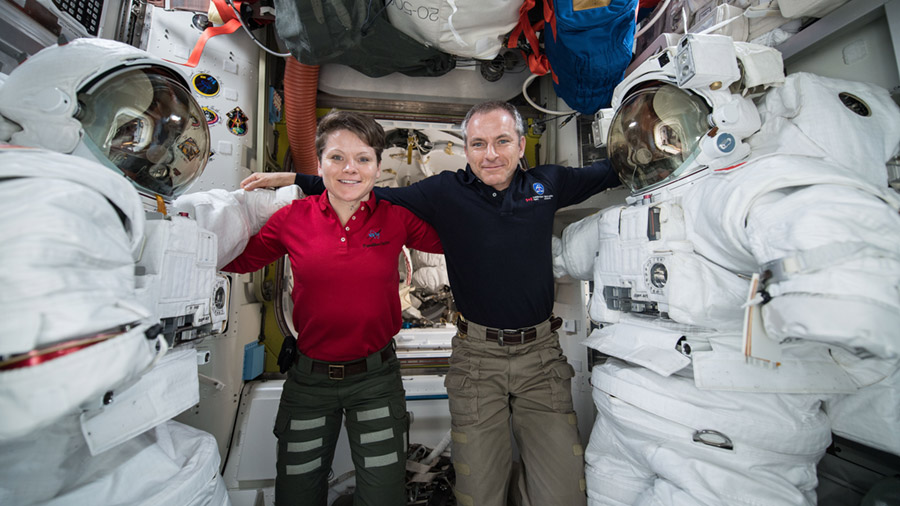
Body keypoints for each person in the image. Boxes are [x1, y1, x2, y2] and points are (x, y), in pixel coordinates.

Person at [555, 35, 900, 505]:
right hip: (622, 419)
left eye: (664, 131)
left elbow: (811, 214)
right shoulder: (624, 217)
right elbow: (563, 256)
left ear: (715, 117)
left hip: (723, 437)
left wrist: (843, 297)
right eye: (636, 135)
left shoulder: (730, 192)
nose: (645, 149)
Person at [241, 100, 621, 505]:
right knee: (477, 493)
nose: (490, 154)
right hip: (478, 356)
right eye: (478, 143)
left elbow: (609, 172)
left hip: (541, 355)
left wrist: (672, 144)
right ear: (466, 148)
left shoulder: (549, 184)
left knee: (563, 494)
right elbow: (364, 186)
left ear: (521, 144)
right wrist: (295, 180)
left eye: (502, 141)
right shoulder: (446, 191)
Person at [0, 38, 229, 505]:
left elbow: (214, 216)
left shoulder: (102, 203)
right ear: (53, 108)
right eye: (131, 135)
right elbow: (41, 323)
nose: (147, 158)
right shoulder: (47, 185)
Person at [222, 110, 443, 506]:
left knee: (383, 497)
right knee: (297, 494)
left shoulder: (396, 219)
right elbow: (236, 260)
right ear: (319, 163)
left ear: (377, 165)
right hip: (309, 382)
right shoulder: (291, 218)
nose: (350, 169)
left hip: (375, 381)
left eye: (363, 158)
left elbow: (459, 242)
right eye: (337, 157)